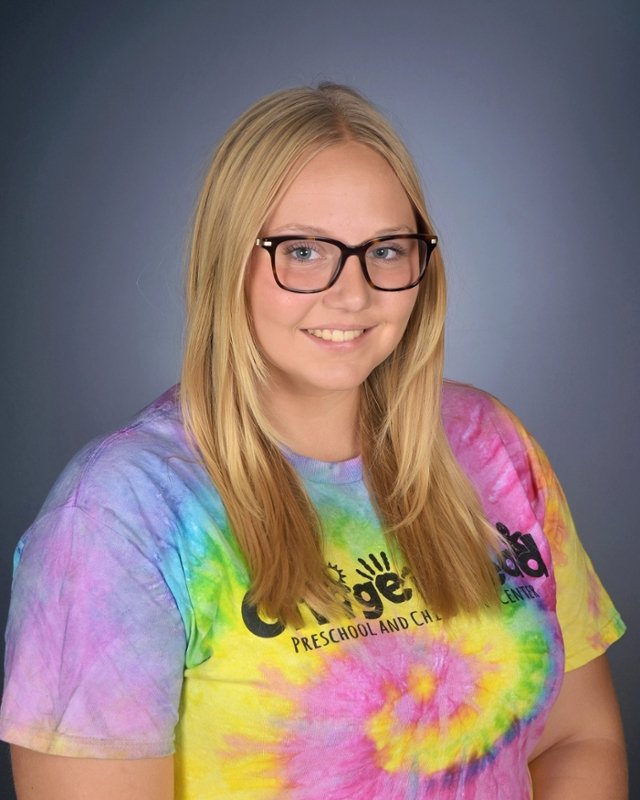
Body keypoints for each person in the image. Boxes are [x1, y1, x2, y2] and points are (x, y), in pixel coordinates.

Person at [0, 83, 627, 799]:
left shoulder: (489, 446)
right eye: (302, 251)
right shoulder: (120, 514)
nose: (353, 293)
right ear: (227, 260)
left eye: (385, 250)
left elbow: (579, 739)